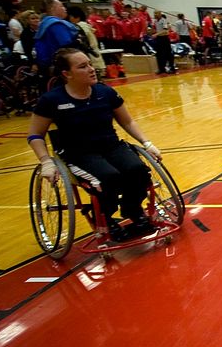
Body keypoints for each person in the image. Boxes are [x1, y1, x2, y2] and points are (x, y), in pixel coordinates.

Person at [27, 48, 162, 242]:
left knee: (138, 170)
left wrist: (147, 143)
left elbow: (127, 122)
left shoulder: (105, 92)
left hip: (111, 147)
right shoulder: (52, 100)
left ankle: (132, 210)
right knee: (107, 178)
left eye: (90, 64)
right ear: (67, 74)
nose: (91, 69)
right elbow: (35, 134)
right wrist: (46, 161)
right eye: (83, 66)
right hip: (79, 154)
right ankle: (105, 217)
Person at [34, 0, 80, 68]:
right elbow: (67, 46)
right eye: (61, 6)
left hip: (47, 63)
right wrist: (78, 41)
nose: (65, 8)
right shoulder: (56, 24)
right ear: (53, 9)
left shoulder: (45, 23)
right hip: (61, 64)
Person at [66, 6, 106, 79]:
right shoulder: (86, 25)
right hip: (95, 58)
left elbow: (84, 43)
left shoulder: (80, 27)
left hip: (91, 59)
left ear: (73, 17)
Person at [152, 10, 176, 74]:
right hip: (158, 39)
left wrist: (156, 34)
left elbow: (165, 30)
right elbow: (155, 29)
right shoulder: (155, 21)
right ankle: (161, 69)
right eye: (154, 13)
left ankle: (172, 68)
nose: (155, 15)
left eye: (156, 13)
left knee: (168, 54)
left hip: (164, 38)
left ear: (160, 14)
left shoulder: (164, 20)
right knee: (159, 54)